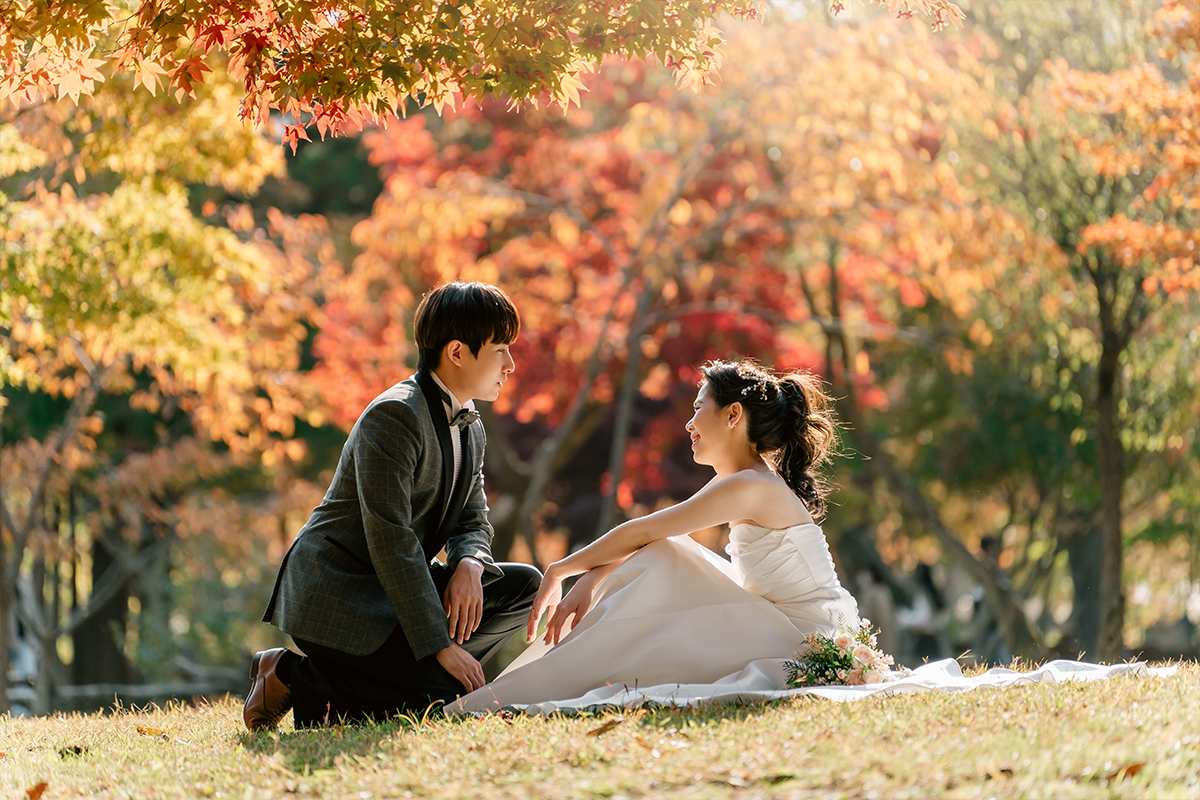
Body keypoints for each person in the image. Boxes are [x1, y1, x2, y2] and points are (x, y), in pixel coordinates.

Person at [449, 359, 860, 713]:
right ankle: (555, 676)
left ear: (733, 415)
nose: (689, 422)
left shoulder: (748, 484)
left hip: (804, 640)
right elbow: (651, 536)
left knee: (666, 554)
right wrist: (592, 577)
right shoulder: (748, 481)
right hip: (792, 629)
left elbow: (646, 530)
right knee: (667, 553)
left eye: (700, 409)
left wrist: (561, 569)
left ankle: (545, 682)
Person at [244, 281, 541, 729]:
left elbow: (473, 519)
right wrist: (439, 643)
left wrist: (469, 566)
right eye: (500, 349)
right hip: (338, 594)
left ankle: (412, 678)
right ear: (458, 352)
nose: (511, 364)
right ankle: (290, 674)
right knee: (441, 696)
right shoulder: (395, 415)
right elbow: (393, 541)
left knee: (524, 585)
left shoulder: (471, 427)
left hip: (396, 592)